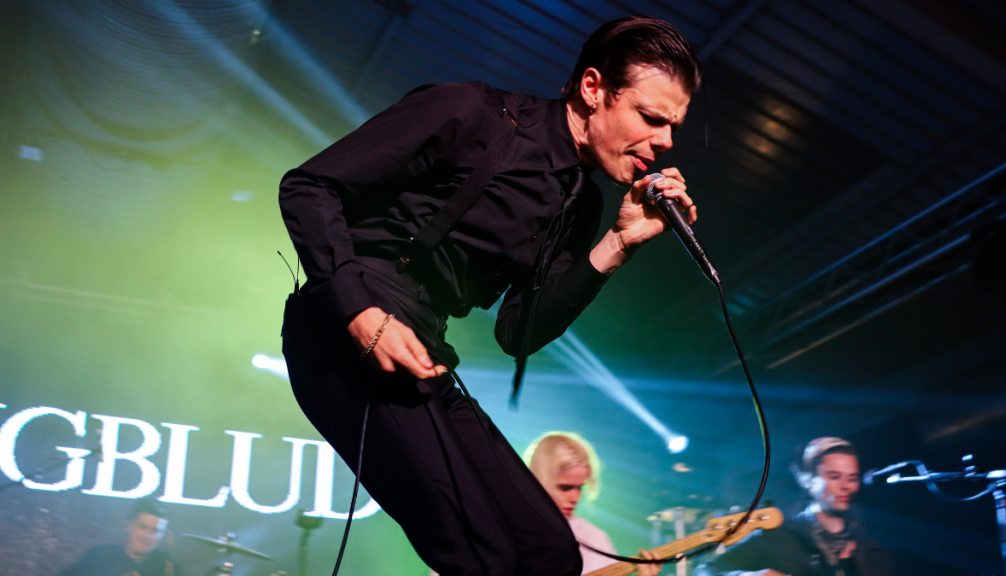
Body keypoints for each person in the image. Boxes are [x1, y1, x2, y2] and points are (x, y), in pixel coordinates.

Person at [279, 15, 701, 576]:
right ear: (593, 88)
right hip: (343, 325)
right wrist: (358, 309)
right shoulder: (469, 112)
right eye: (651, 118)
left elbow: (516, 331)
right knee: (485, 554)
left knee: (550, 552)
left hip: (425, 347)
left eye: (673, 126)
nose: (666, 141)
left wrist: (618, 244)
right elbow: (309, 187)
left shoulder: (582, 204)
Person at [691, 438, 893, 576]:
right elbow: (703, 572)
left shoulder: (872, 550)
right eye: (834, 477)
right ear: (808, 480)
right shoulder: (776, 536)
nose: (846, 486)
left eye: (852, 478)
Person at [525, 432, 662, 575]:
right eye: (565, 488)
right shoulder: (513, 535)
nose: (575, 498)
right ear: (539, 482)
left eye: (580, 488)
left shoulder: (594, 537)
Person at [61, 499, 178, 576]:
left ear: (164, 535)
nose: (147, 536)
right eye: (142, 527)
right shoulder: (97, 557)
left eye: (156, 531)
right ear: (128, 525)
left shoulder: (169, 567)